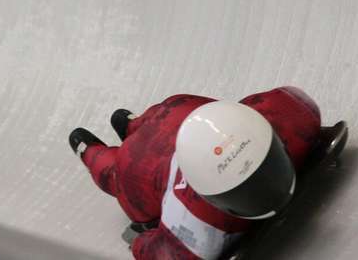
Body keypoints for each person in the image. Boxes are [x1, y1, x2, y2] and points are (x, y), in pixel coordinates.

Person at [69, 87, 323, 259]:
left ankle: (133, 124)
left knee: (157, 118)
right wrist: (140, 242)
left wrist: (141, 242)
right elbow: (151, 250)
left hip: (177, 111)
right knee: (114, 174)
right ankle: (91, 150)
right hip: (143, 156)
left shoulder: (295, 113)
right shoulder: (195, 228)